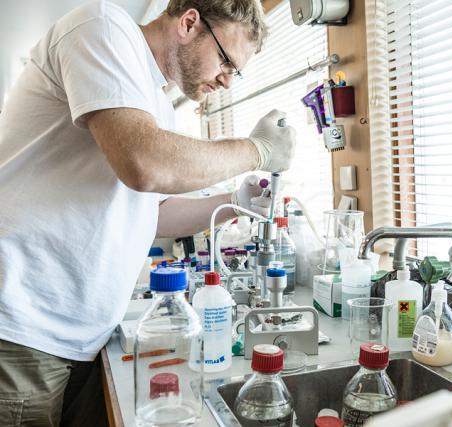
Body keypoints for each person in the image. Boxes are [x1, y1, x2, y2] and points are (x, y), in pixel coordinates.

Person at [0, 0, 295, 425]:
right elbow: (144, 163)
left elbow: (149, 216)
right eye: (226, 61)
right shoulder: (101, 27)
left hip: (76, 335)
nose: (227, 81)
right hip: (21, 325)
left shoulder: (152, 103)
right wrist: (256, 151)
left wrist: (236, 205)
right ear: (190, 22)